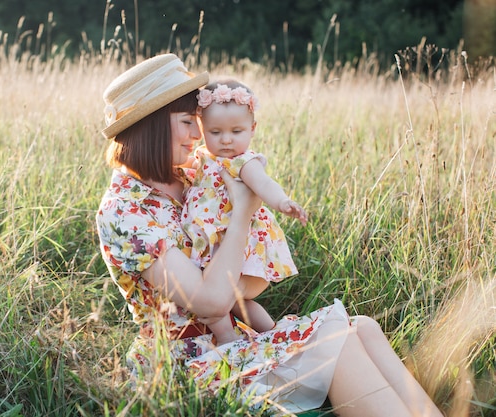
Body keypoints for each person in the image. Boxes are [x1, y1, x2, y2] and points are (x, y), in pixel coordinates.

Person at [95, 53, 443, 416]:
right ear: (151, 126)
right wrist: (243, 209)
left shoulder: (187, 173)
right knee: (335, 339)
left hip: (232, 342)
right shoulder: (126, 210)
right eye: (186, 122)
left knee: (364, 329)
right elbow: (210, 302)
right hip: (191, 363)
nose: (198, 134)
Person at [181, 78, 307, 345]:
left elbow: (263, 183)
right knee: (238, 301)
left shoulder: (242, 161)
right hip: (214, 242)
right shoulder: (204, 157)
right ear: (202, 128)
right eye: (215, 132)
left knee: (225, 294)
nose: (226, 140)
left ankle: (229, 341)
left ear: (252, 129)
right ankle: (273, 333)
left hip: (239, 245)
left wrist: (283, 202)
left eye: (236, 131)